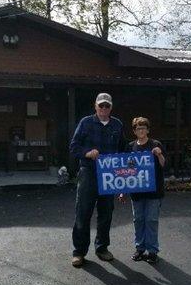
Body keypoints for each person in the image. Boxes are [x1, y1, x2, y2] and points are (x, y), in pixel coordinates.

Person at [70, 92, 125, 267]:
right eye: (100, 105)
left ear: (111, 107)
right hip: (88, 173)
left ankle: (101, 248)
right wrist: (87, 153)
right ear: (95, 106)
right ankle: (79, 252)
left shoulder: (117, 124)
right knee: (83, 213)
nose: (103, 108)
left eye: (106, 106)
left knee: (106, 213)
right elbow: (74, 146)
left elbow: (123, 150)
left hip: (109, 176)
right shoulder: (86, 122)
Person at [122, 116, 165, 264]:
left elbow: (164, 165)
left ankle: (152, 251)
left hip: (154, 192)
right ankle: (140, 248)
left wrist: (159, 154)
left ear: (148, 129)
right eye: (138, 128)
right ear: (134, 131)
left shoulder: (155, 144)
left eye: (143, 128)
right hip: (136, 192)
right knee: (138, 220)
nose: (141, 130)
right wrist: (123, 190)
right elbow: (127, 171)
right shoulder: (130, 147)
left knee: (151, 220)